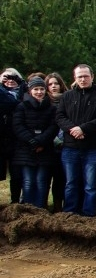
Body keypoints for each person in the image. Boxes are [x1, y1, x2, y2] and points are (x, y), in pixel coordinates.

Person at [55, 64, 96, 216]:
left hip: (93, 147)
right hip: (70, 147)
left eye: (86, 76)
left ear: (92, 76)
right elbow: (59, 116)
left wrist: (83, 129)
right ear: (75, 78)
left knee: (90, 185)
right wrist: (73, 130)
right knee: (70, 184)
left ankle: (89, 215)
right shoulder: (67, 96)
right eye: (79, 76)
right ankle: (70, 213)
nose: (83, 79)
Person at [12, 76, 58, 208]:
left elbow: (53, 127)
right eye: (36, 89)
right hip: (26, 150)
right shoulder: (21, 106)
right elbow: (18, 126)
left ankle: (40, 208)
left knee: (41, 181)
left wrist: (40, 142)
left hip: (45, 149)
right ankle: (28, 209)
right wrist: (32, 141)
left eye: (42, 89)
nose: (39, 92)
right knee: (28, 181)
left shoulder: (51, 108)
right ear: (30, 91)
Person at [0, 68, 25, 203]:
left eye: (14, 77)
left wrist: (22, 84)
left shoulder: (25, 92)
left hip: (17, 139)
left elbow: (13, 103)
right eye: (6, 77)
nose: (10, 80)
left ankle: (15, 202)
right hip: (2, 139)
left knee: (17, 174)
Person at [45, 72, 69, 211]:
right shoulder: (44, 102)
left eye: (56, 83)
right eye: (50, 84)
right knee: (47, 179)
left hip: (66, 144)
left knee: (63, 179)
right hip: (49, 145)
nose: (54, 86)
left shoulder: (68, 99)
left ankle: (60, 206)